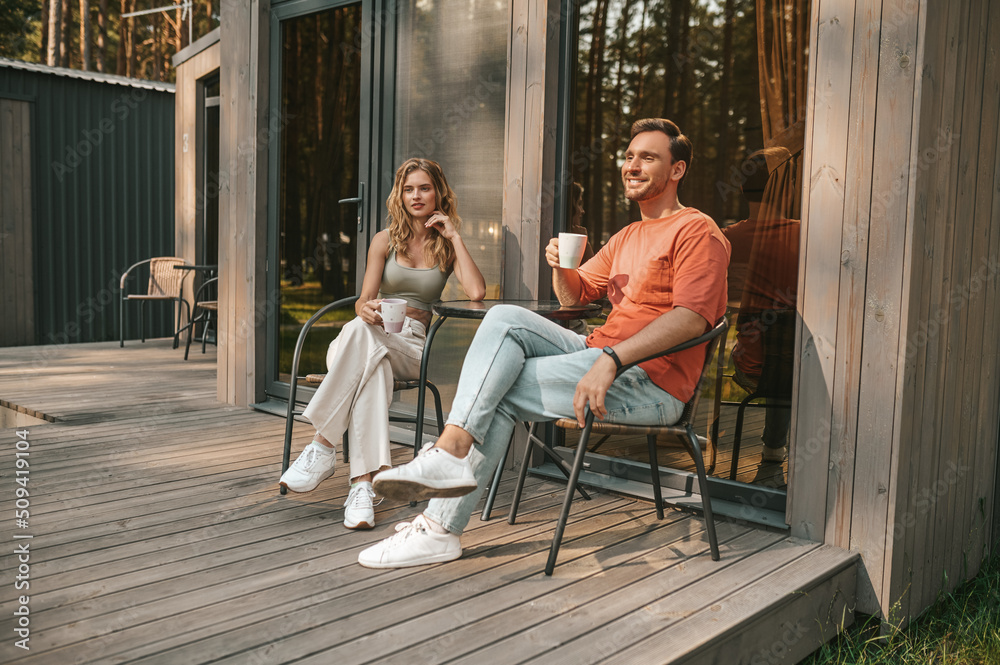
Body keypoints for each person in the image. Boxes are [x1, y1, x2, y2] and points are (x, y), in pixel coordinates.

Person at [359, 118, 730, 568]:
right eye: (629, 156)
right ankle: (450, 454)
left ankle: (439, 524)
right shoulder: (628, 236)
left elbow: (691, 319)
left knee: (497, 391)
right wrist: (560, 266)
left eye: (648, 157)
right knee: (504, 318)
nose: (632, 166)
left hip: (650, 381)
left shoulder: (697, 231)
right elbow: (574, 296)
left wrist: (612, 359)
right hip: (596, 352)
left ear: (677, 171)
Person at [279, 158, 485, 530]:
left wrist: (454, 235)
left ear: (438, 191)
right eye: (409, 189)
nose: (416, 196)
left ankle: (324, 446)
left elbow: (477, 291)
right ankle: (364, 484)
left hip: (410, 344)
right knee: (366, 348)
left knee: (369, 352)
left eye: (424, 188)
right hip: (364, 338)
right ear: (400, 194)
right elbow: (362, 301)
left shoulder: (445, 245)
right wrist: (367, 310)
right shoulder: (384, 240)